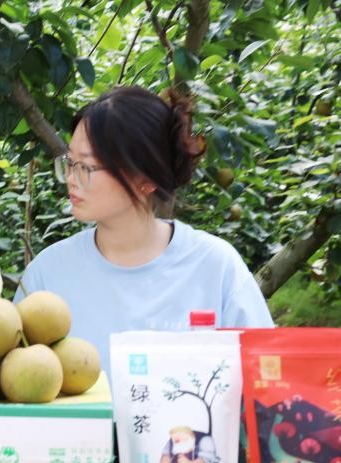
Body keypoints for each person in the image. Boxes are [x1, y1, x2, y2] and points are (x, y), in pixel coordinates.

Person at [14, 86, 273, 373]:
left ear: (145, 179)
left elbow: (264, 379)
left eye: (85, 167)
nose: (71, 179)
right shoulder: (49, 273)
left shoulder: (216, 268)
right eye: (69, 163)